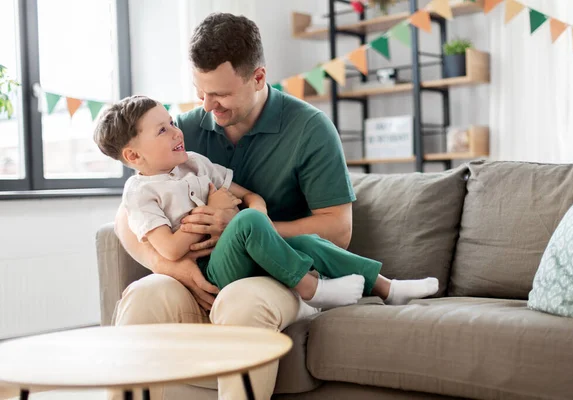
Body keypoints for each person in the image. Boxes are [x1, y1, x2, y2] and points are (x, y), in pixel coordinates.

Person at [109, 12, 436, 400]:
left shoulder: (311, 129)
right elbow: (126, 218)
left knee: (241, 302)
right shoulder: (185, 132)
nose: (208, 105)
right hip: (204, 271)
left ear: (258, 78)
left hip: (280, 275)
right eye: (201, 92)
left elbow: (338, 229)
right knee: (146, 293)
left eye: (221, 94)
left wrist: (244, 229)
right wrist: (172, 267)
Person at [94, 95, 439, 310]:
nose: (176, 130)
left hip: (243, 250)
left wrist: (254, 214)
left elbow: (247, 196)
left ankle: (388, 288)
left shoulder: (194, 162)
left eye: (171, 122)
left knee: (306, 242)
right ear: (133, 155)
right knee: (246, 223)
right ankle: (311, 288)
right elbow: (167, 249)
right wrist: (216, 213)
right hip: (209, 270)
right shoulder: (140, 192)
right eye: (163, 130)